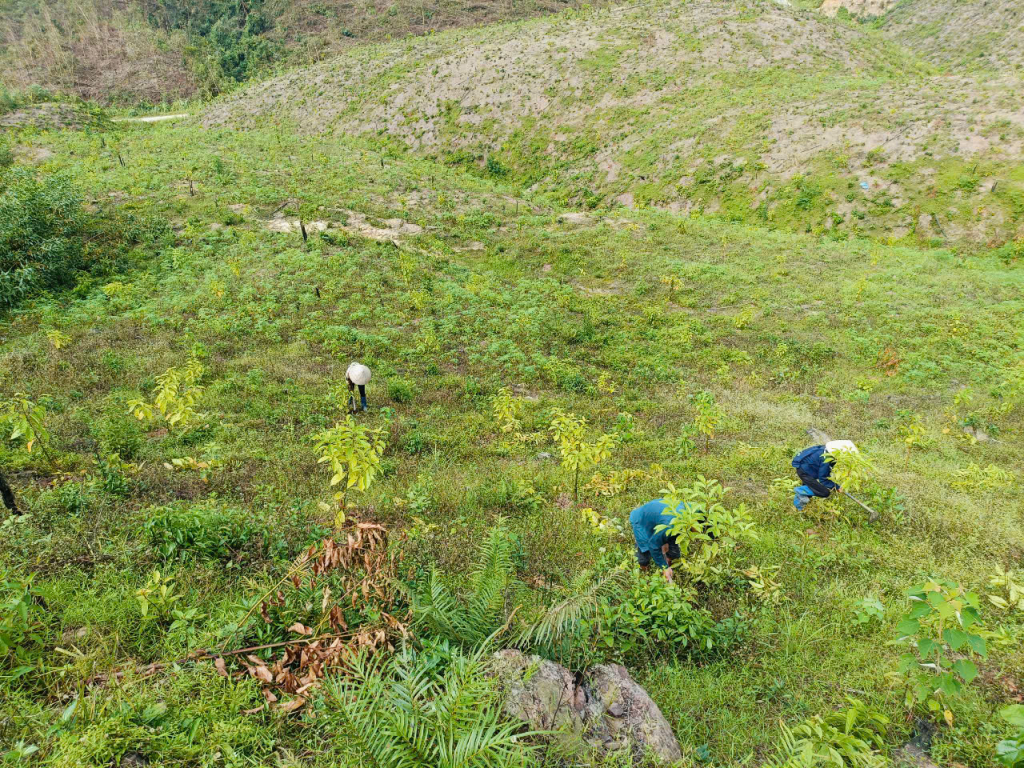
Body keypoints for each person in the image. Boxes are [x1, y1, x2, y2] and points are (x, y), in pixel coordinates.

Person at [629, 498, 687, 583]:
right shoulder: (670, 524)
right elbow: (653, 545)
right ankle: (645, 576)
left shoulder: (690, 514)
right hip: (642, 522)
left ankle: (668, 570)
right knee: (644, 554)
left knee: (673, 553)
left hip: (659, 518)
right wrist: (664, 567)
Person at [791, 440, 858, 510]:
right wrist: (837, 487)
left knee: (810, 489)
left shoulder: (825, 450)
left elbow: (825, 472)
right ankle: (800, 491)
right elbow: (823, 479)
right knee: (824, 492)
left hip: (806, 469)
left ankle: (798, 508)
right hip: (805, 472)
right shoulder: (826, 459)